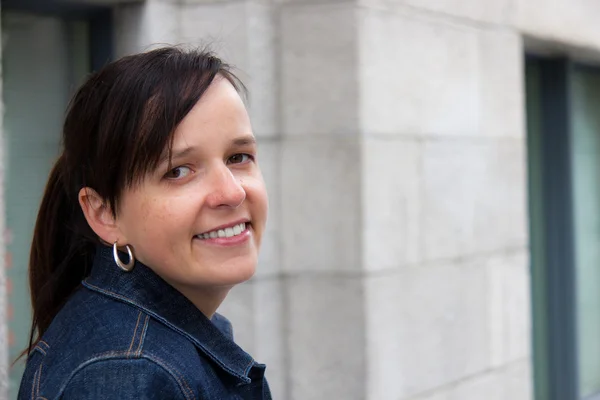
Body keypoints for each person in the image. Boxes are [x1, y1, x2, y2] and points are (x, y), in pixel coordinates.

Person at [17, 47, 271, 399]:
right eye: (178, 171)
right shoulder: (129, 372)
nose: (231, 193)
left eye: (239, 157)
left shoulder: (167, 339)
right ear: (104, 213)